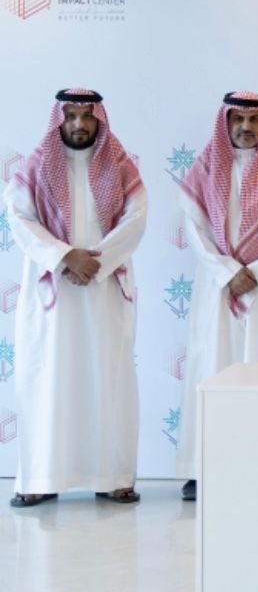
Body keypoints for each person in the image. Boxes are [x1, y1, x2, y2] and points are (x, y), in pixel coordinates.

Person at [6, 89, 147, 507]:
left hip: (104, 290)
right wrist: (65, 256)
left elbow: (136, 219)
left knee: (109, 378)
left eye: (87, 116)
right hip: (53, 293)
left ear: (99, 119)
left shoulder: (120, 166)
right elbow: (20, 218)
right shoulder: (35, 166)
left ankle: (113, 476)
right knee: (47, 378)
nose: (79, 124)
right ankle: (40, 476)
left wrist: (94, 264)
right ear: (59, 119)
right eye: (70, 116)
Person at [176, 91, 258, 501]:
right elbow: (195, 228)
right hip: (217, 286)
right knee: (211, 367)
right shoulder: (206, 167)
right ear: (226, 123)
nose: (246, 127)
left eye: (254, 120)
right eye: (238, 119)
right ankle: (202, 469)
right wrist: (227, 272)